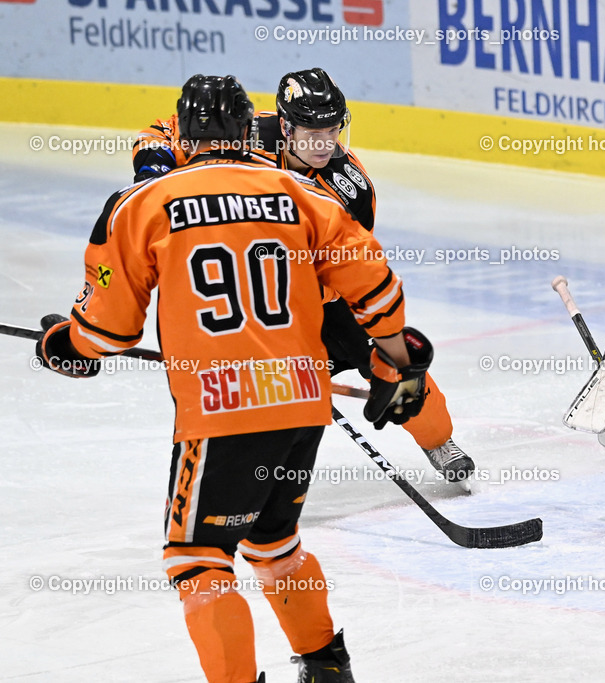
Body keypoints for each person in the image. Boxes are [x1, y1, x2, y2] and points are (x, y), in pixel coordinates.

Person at [35, 74, 433, 683]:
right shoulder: (304, 193)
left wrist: (68, 344)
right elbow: (377, 291)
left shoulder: (140, 204)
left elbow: (109, 331)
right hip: (303, 402)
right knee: (275, 543)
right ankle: (327, 668)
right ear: (253, 131)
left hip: (220, 412)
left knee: (197, 561)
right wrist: (395, 367)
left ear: (183, 137)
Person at [132, 67, 475, 482]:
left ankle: (439, 440)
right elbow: (162, 131)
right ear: (285, 125)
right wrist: (152, 170)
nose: (325, 144)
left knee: (396, 367)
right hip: (257, 298)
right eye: (313, 132)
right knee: (257, 397)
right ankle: (251, 484)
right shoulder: (246, 133)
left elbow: (350, 267)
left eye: (333, 131)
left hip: (322, 302)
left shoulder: (350, 187)